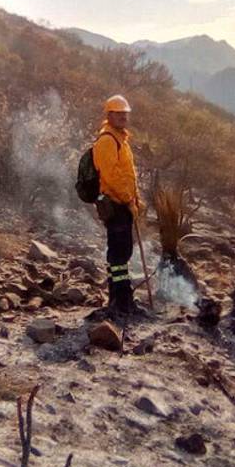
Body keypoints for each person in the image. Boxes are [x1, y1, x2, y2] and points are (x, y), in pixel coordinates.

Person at [92, 94, 143, 315]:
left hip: (124, 205)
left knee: (123, 252)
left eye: (125, 113)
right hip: (116, 204)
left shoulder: (121, 139)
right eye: (118, 113)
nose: (123, 117)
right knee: (119, 255)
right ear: (109, 115)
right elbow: (111, 176)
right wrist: (128, 199)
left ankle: (121, 298)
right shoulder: (107, 141)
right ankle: (120, 300)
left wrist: (136, 200)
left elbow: (128, 174)